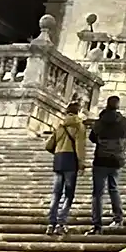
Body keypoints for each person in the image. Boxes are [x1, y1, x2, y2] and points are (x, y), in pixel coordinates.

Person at [88, 95, 126, 233]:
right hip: (116, 160)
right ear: (118, 106)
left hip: (100, 160)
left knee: (97, 193)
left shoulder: (99, 122)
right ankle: (118, 219)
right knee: (113, 189)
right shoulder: (123, 122)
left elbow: (92, 138)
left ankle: (97, 225)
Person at [45, 99, 88, 236]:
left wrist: (58, 151)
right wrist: (81, 164)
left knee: (56, 194)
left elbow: (48, 145)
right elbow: (79, 147)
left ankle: (51, 224)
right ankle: (61, 223)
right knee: (68, 194)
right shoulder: (79, 126)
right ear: (78, 112)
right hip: (71, 161)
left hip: (58, 160)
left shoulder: (60, 125)